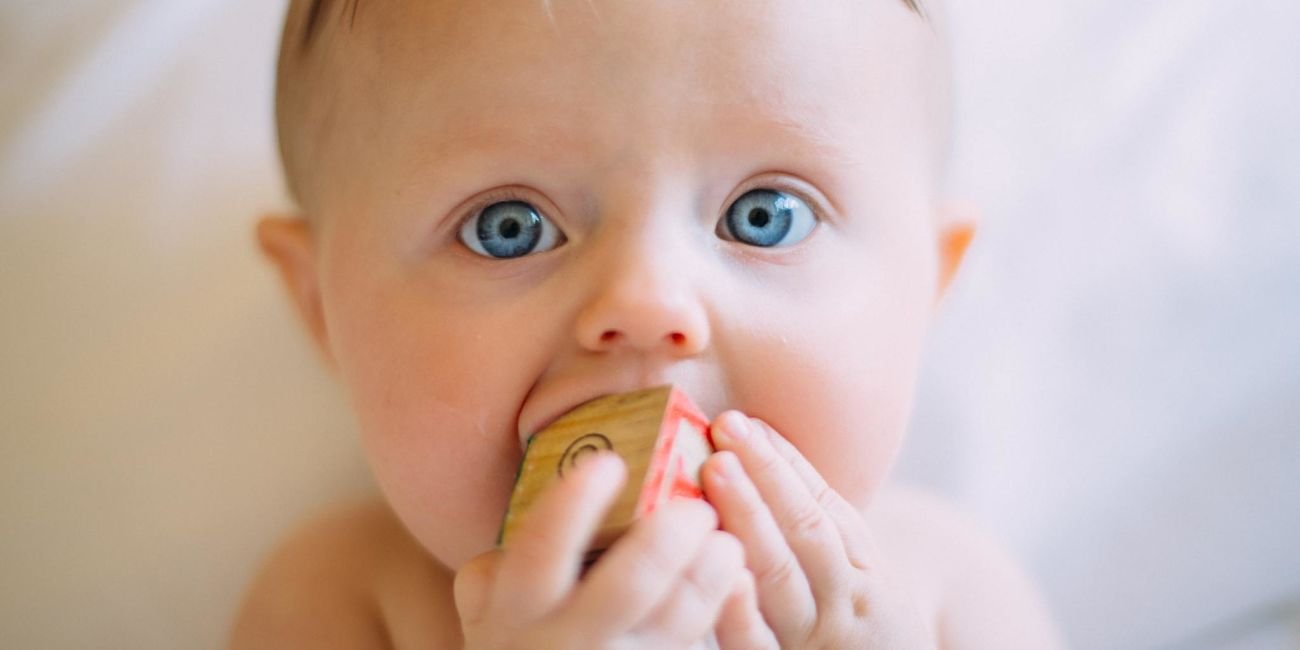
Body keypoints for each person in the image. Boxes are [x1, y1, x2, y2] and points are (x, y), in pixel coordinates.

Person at [231, 0, 1064, 647]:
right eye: (508, 226)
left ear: (926, 289)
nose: (647, 301)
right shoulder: (340, 603)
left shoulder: (948, 596)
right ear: (321, 308)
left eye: (765, 216)